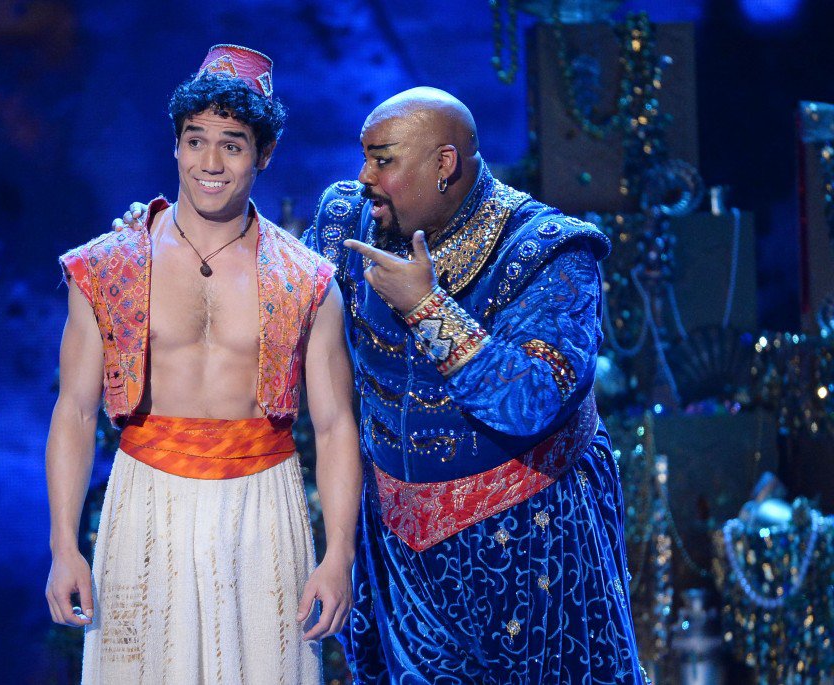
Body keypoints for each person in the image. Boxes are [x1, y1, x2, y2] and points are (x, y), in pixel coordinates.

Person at [120, 87, 646, 682]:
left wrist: (426, 304)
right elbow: (276, 297)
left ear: (444, 165)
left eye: (384, 159)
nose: (364, 175)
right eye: (364, 156)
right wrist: (165, 239)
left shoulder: (550, 252)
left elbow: (530, 402)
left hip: (534, 543)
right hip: (401, 548)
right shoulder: (348, 218)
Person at [45, 44, 361, 684]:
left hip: (264, 514)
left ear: (263, 154)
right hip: (143, 506)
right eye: (196, 141)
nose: (209, 163)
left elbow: (334, 428)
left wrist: (338, 556)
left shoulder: (307, 281)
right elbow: (75, 412)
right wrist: (62, 545)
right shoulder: (108, 266)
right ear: (176, 146)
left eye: (232, 145)